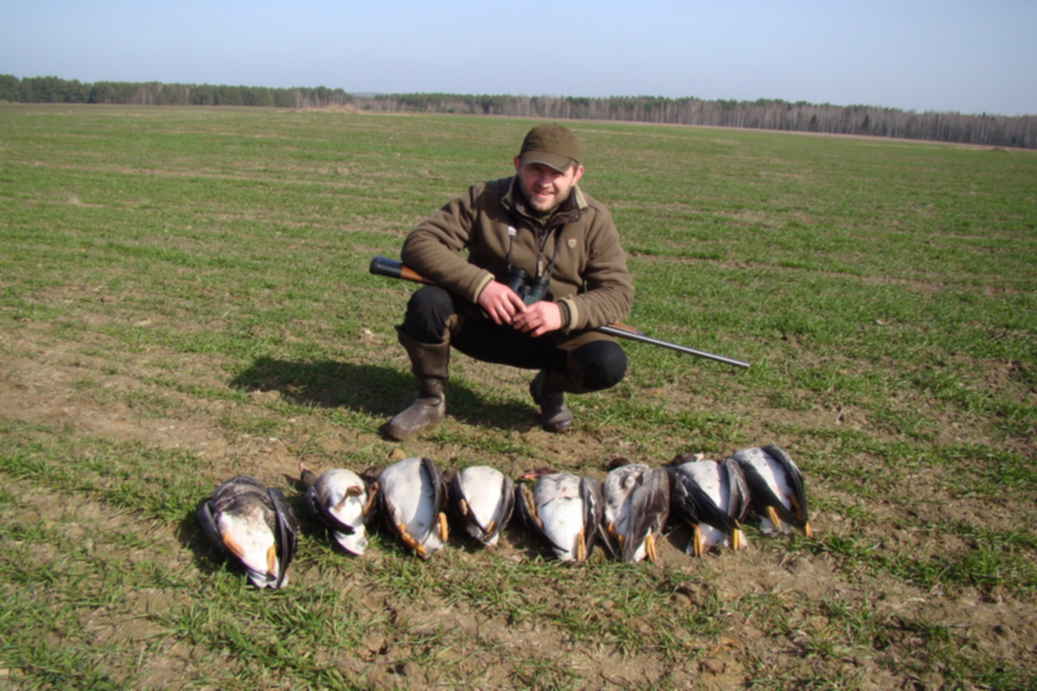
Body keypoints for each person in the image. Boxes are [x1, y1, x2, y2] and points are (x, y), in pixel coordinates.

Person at [385, 124, 633, 440]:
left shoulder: (595, 219)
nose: (544, 182)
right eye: (535, 169)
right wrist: (481, 286)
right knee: (428, 303)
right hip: (479, 325)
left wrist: (562, 312)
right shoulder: (483, 198)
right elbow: (421, 242)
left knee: (607, 362)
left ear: (577, 174)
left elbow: (618, 292)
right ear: (518, 164)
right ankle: (430, 400)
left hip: (551, 338)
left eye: (556, 173)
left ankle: (549, 387)